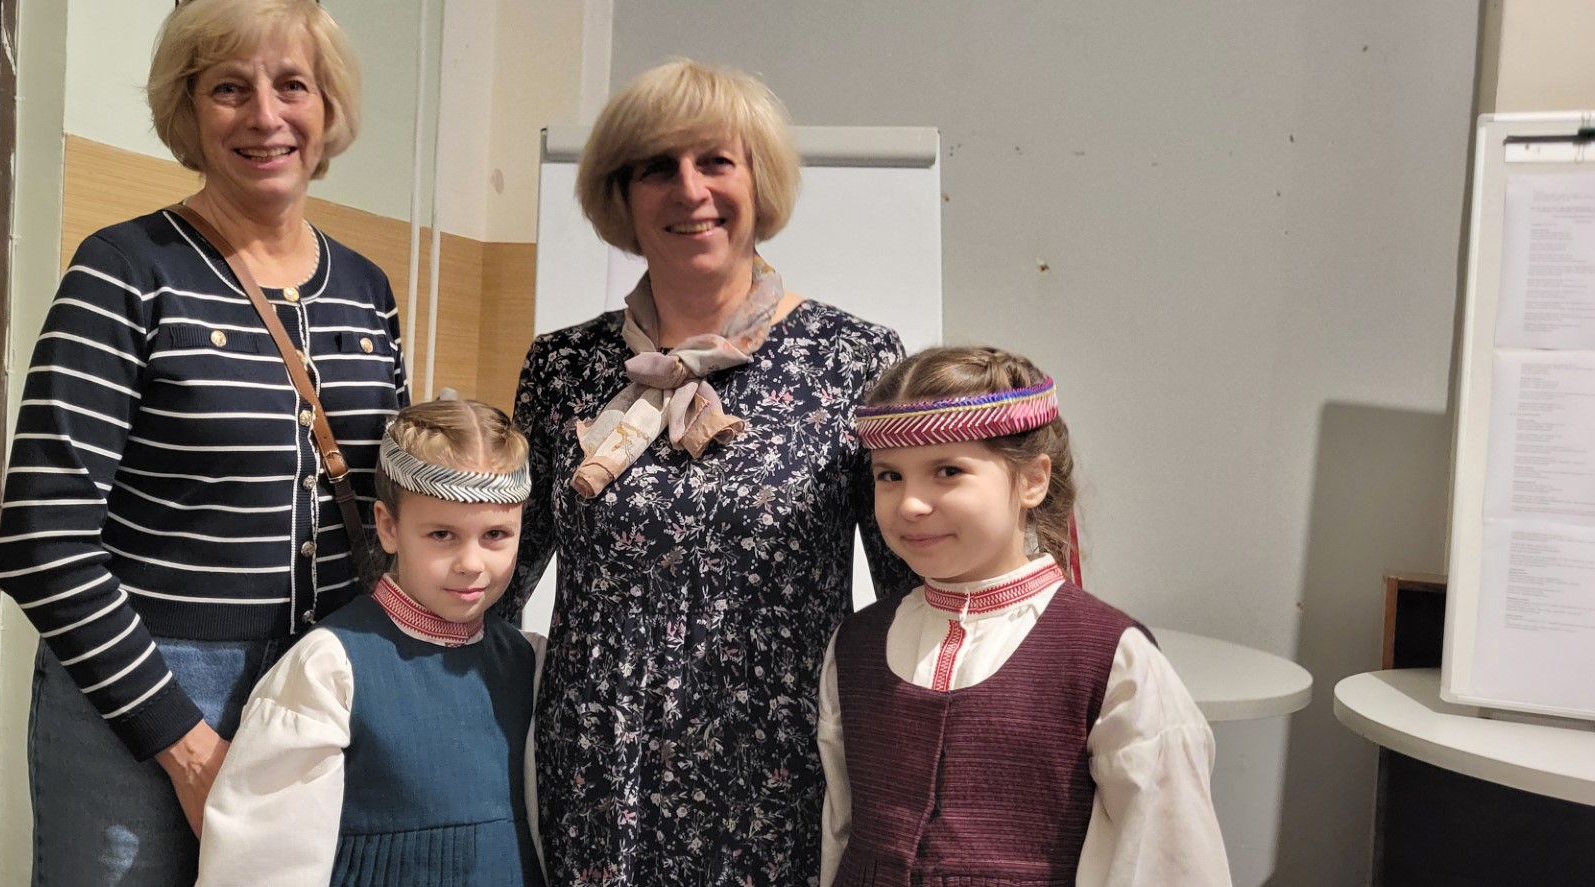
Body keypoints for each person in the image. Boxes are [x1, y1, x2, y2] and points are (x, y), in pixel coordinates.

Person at [0, 1, 405, 883]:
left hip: (319, 686)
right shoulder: (125, 268)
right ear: (188, 108)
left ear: (328, 106)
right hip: (143, 695)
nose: (265, 115)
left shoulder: (367, 291)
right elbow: (41, 538)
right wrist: (182, 743)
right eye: (228, 88)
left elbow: (389, 511)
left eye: (292, 85)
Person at [502, 59, 914, 885]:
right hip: (600, 776)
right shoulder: (562, 367)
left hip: (776, 776)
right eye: (657, 167)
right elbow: (501, 571)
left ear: (760, 182)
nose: (690, 190)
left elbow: (908, 589)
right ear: (621, 196)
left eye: (716, 161)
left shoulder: (855, 361)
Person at [817, 346, 1230, 886]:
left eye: (947, 471)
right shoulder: (856, 646)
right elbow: (840, 832)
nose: (911, 504)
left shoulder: (1110, 659)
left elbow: (1165, 860)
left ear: (1032, 480)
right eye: (890, 476)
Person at [197, 399, 544, 886]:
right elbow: (261, 864)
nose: (471, 563)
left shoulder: (530, 662)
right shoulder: (328, 668)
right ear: (388, 527)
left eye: (495, 535)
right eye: (442, 534)